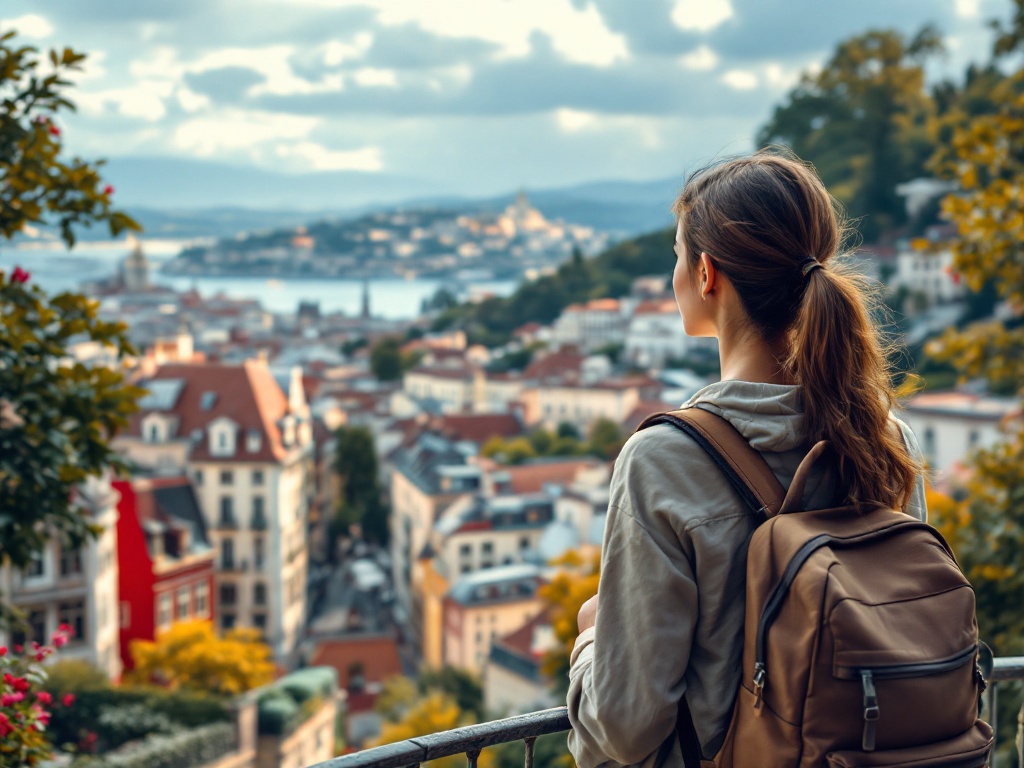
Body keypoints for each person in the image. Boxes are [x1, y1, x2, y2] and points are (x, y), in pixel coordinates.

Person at [565, 150, 927, 768]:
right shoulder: (886, 435)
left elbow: (625, 728)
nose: (673, 273)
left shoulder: (664, 460)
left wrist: (593, 640)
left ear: (707, 274)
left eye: (676, 255)